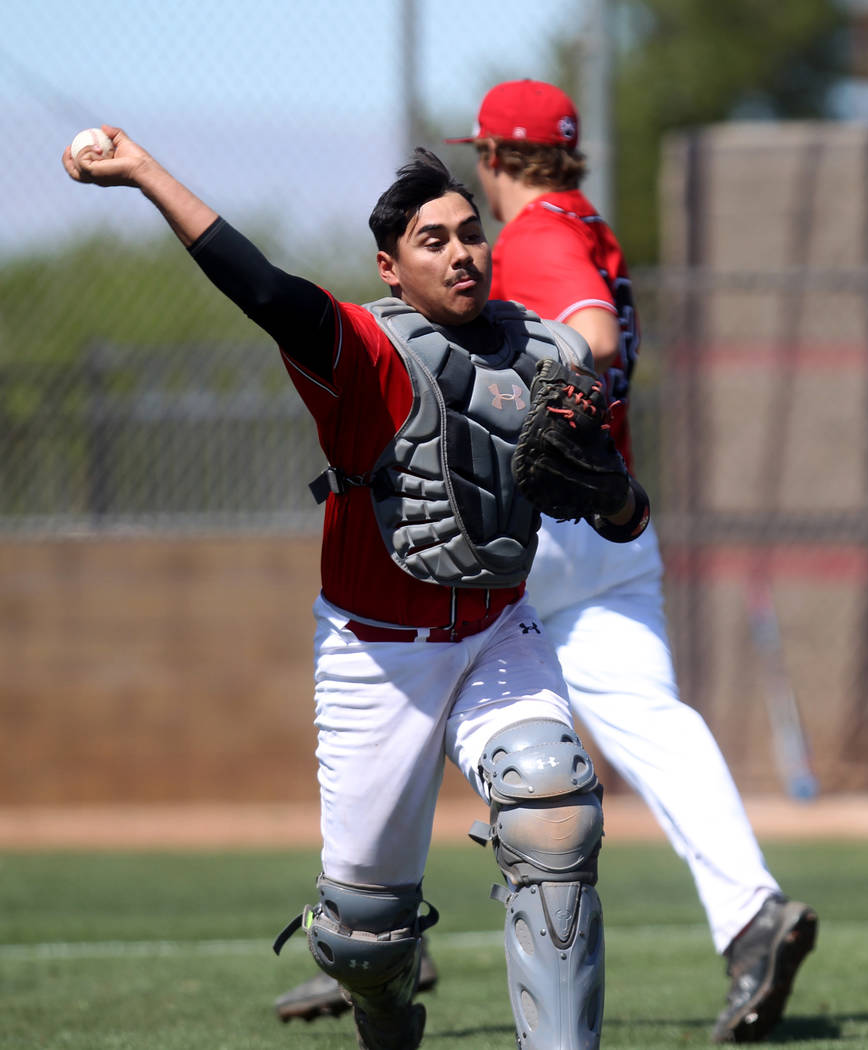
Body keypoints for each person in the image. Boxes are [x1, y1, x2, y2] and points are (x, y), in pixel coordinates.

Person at [63, 127, 648, 1050]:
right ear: (390, 266)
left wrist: (617, 492)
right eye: (434, 240)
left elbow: (624, 520)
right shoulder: (363, 351)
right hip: (376, 653)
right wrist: (140, 171)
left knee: (554, 808)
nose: (462, 251)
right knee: (362, 934)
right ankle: (384, 1005)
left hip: (500, 634)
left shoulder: (544, 357)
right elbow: (259, 286)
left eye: (469, 232)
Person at [273, 80, 818, 1045]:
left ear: (492, 157)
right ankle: (749, 911)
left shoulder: (533, 235)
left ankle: (382, 924)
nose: (462, 247)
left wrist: (567, 417)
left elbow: (588, 341)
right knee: (641, 723)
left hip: (536, 520)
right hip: (610, 518)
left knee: (500, 734)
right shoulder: (589, 222)